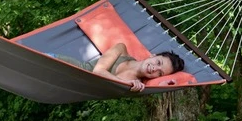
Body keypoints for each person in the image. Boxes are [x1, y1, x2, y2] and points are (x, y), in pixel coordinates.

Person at [50, 42, 185, 92]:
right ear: (152, 55)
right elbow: (98, 71)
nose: (154, 69)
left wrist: (161, 86)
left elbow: (150, 89)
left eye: (160, 73)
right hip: (58, 63)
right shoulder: (121, 49)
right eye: (158, 62)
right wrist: (124, 83)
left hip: (66, 85)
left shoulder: (137, 85)